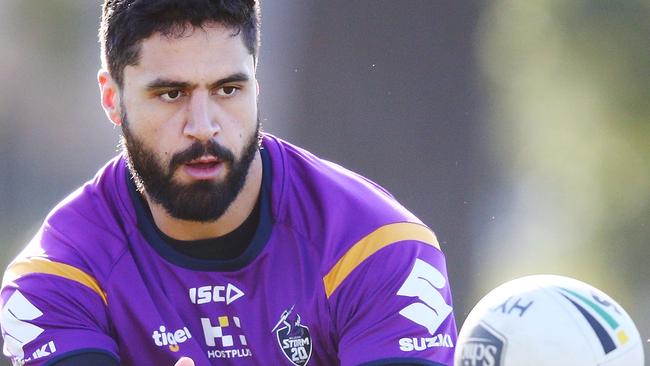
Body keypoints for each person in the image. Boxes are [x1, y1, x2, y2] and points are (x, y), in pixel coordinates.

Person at [0, 1, 457, 365]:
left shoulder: (379, 248)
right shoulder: (54, 278)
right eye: (171, 94)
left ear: (257, 87)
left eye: (227, 89)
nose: (203, 126)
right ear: (111, 98)